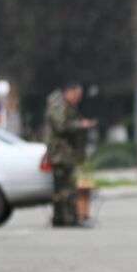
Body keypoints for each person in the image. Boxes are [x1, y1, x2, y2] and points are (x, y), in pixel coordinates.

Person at [44, 81, 95, 227]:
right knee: (67, 188)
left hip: (62, 152)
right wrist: (79, 125)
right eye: (77, 95)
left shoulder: (63, 105)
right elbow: (61, 126)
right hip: (60, 153)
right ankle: (69, 218)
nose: (78, 99)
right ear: (69, 92)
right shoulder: (59, 105)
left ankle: (60, 218)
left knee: (61, 188)